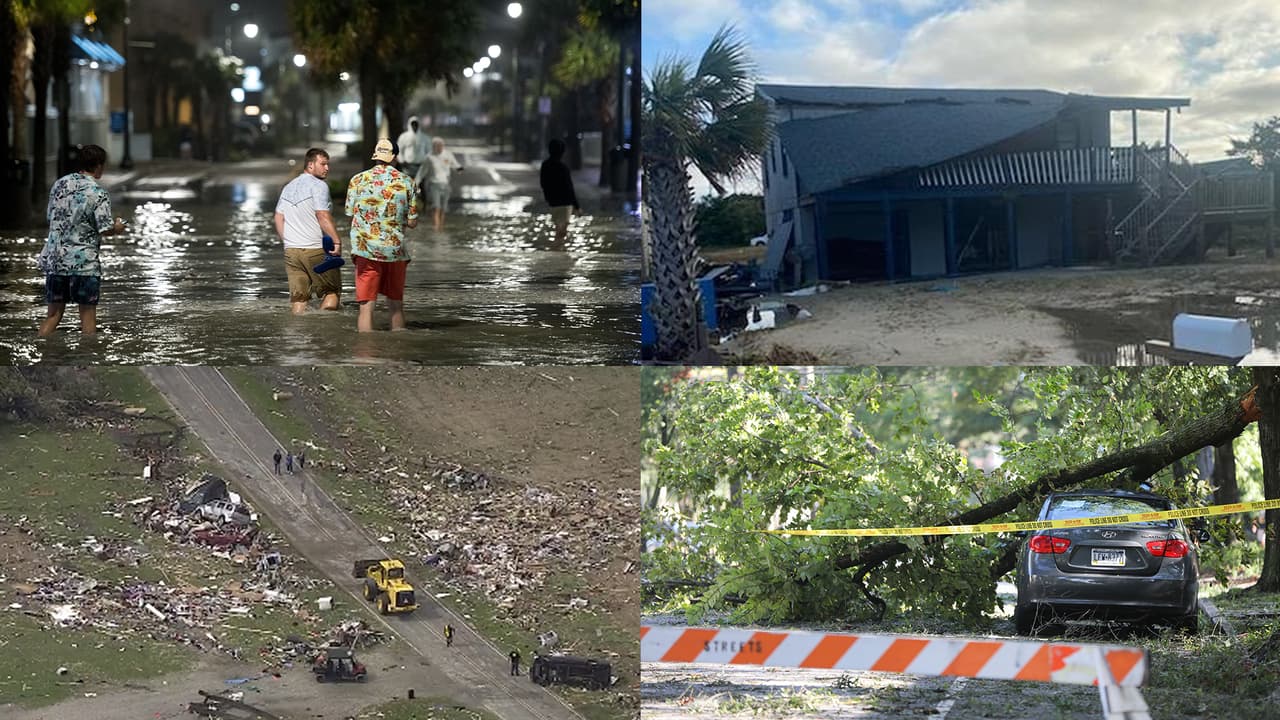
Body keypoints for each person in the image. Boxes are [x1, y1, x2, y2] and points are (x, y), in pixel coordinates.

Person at [36, 144, 126, 337]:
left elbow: (51, 217)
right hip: (83, 265)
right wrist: (118, 227)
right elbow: (105, 228)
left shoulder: (59, 184)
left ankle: (40, 355)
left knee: (52, 316)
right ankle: (86, 363)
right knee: (87, 318)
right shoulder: (98, 192)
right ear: (99, 166)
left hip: (55, 261)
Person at [345, 138, 419, 333]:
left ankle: (365, 355)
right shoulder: (407, 182)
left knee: (365, 308)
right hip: (395, 251)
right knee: (396, 306)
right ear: (395, 157)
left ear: (375, 155)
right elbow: (412, 222)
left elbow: (349, 213)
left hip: (365, 250)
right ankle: (398, 351)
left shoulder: (357, 180)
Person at [274, 148, 343, 314]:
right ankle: (323, 335)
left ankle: (297, 336)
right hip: (315, 249)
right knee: (331, 292)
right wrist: (336, 241)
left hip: (292, 252)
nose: (327, 168)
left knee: (299, 299)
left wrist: (288, 241)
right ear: (310, 165)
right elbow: (322, 215)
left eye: (328, 164)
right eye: (323, 164)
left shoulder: (289, 187)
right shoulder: (319, 186)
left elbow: (278, 217)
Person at [415, 138, 462, 230]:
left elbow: (454, 163)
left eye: (441, 146)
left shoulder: (448, 154)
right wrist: (416, 181)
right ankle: (436, 227)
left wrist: (459, 168)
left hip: (445, 184)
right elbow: (422, 171)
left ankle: (441, 225)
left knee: (443, 208)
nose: (440, 148)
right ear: (433, 147)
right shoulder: (429, 157)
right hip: (434, 184)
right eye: (437, 146)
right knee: (436, 207)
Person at [539, 139, 580, 243]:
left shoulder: (545, 165)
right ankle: (558, 249)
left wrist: (547, 197)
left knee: (558, 226)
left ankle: (557, 248)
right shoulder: (563, 168)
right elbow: (569, 188)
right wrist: (577, 206)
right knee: (562, 230)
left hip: (553, 202)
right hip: (565, 203)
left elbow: (543, 183)